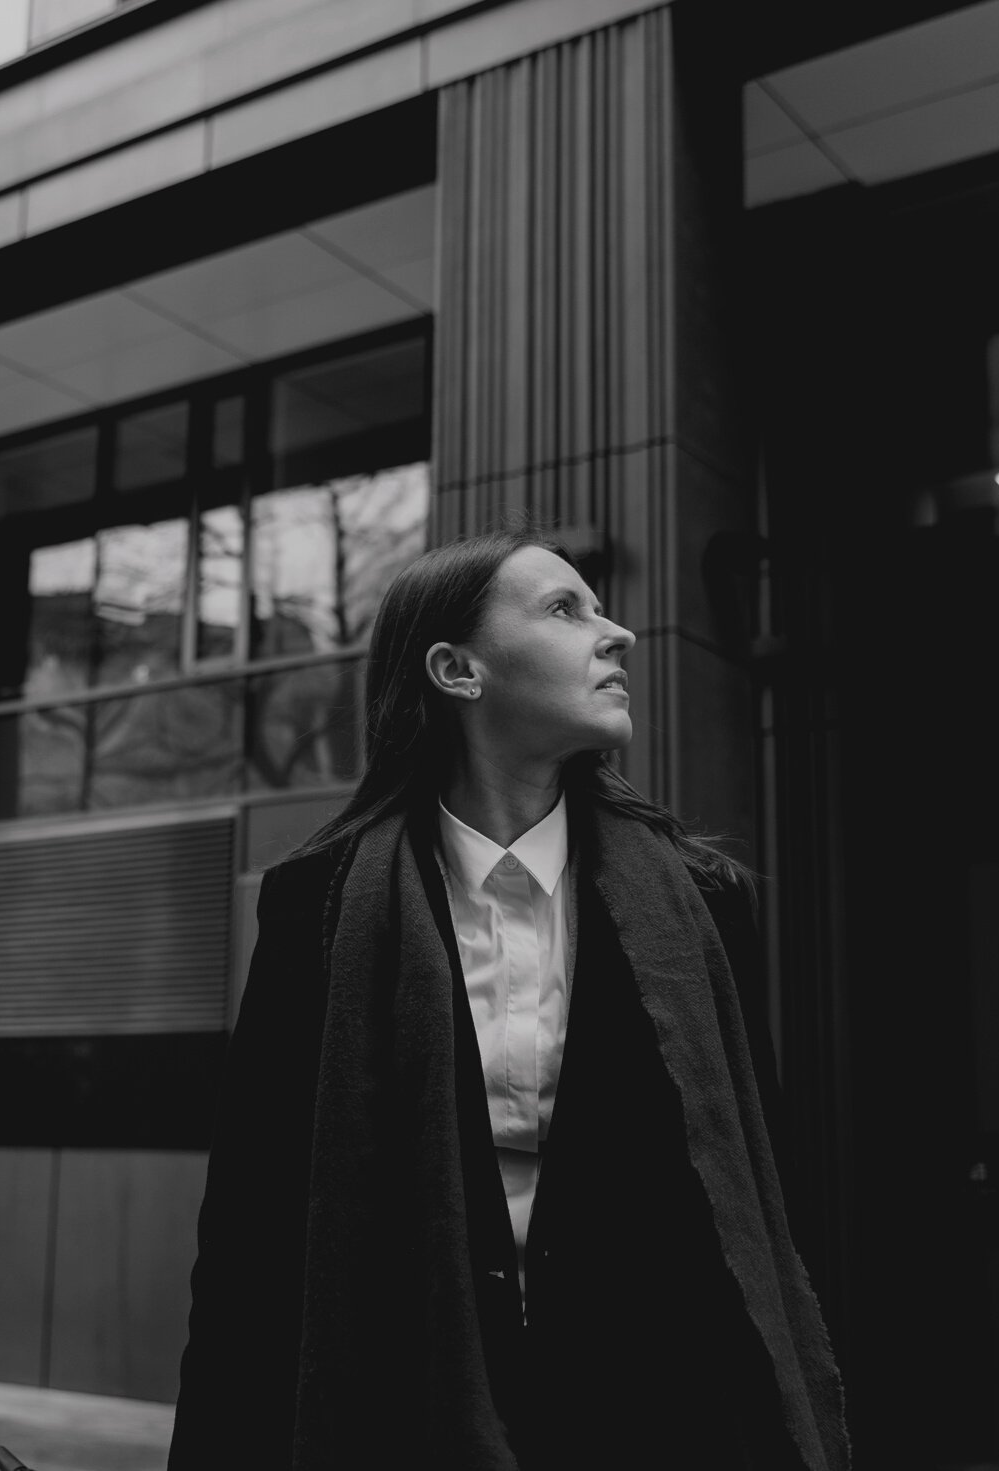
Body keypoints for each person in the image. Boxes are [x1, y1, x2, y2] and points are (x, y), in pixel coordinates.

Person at [168, 526, 848, 1470]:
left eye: (599, 608)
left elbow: (766, 1198)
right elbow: (251, 1228)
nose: (619, 636)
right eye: (567, 610)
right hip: (399, 1415)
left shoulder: (703, 902)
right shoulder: (315, 904)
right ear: (457, 669)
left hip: (657, 1418)